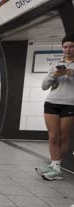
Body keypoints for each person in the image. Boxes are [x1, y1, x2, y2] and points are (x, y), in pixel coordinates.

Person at [36, 33, 74, 183]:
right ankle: (55, 167)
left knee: (64, 138)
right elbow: (45, 86)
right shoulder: (55, 64)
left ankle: (56, 165)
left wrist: (71, 74)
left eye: (71, 46)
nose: (68, 49)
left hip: (70, 104)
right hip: (52, 102)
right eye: (65, 47)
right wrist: (54, 76)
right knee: (53, 136)